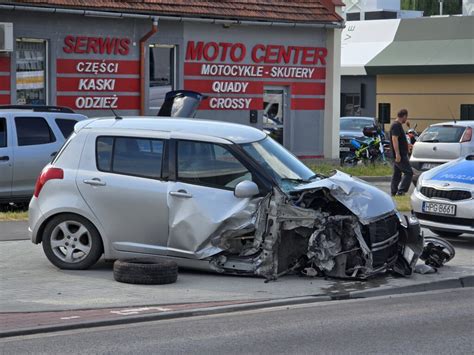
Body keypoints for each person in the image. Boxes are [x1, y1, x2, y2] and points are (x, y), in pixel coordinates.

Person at [390, 109, 413, 196]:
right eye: (406, 117)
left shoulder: (397, 125)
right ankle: (401, 191)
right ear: (404, 116)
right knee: (409, 172)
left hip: (400, 153)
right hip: (400, 155)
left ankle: (394, 191)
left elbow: (399, 139)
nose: (406, 119)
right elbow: (394, 139)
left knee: (397, 173)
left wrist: (407, 145)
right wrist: (397, 154)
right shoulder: (396, 125)